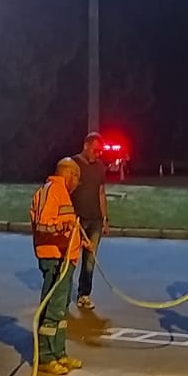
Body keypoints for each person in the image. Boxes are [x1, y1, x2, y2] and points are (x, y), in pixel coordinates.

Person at [30, 158, 93, 375]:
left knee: (61, 308)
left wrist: (80, 241)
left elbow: (66, 227)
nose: (77, 183)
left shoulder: (62, 193)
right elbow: (42, 225)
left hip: (66, 259)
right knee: (53, 308)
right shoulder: (51, 190)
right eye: (77, 178)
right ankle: (46, 357)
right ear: (70, 175)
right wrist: (63, 225)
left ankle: (59, 353)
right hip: (55, 259)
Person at [65, 133, 108, 311]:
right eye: (96, 150)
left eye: (100, 152)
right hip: (77, 220)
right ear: (86, 146)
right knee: (70, 259)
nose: (98, 154)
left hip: (95, 220)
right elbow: (65, 192)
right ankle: (63, 295)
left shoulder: (99, 167)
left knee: (89, 260)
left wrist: (105, 219)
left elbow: (101, 193)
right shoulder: (72, 165)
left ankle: (84, 294)